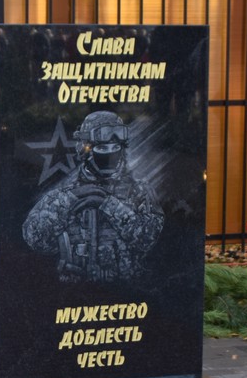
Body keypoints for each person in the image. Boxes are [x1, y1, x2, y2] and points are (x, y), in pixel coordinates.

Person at [23, 110, 163, 282]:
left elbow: (149, 240)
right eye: (102, 148)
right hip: (72, 296)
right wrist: (68, 201)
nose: (110, 154)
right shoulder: (64, 194)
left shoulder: (140, 191)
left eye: (116, 147)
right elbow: (35, 239)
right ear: (86, 149)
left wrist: (109, 205)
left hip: (128, 295)